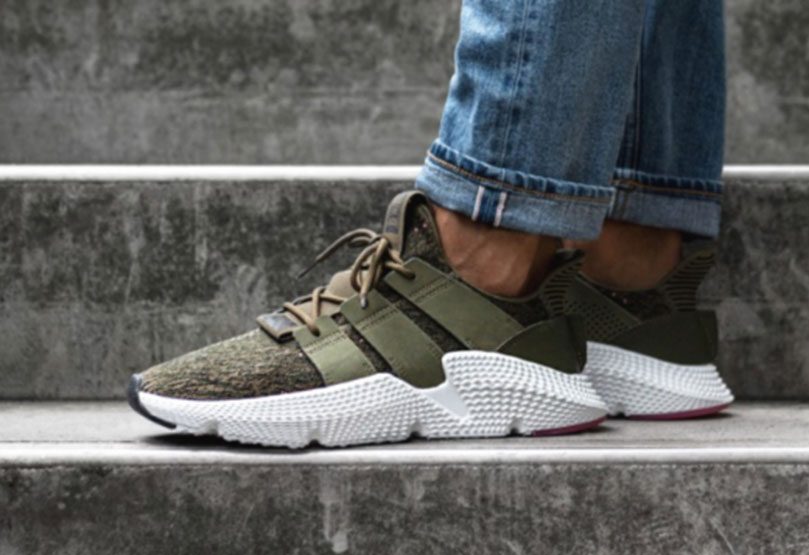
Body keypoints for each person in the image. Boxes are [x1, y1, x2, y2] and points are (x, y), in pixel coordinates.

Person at [127, 0, 733, 447]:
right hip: (628, 276)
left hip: (500, 253)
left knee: (496, 218)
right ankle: (628, 260)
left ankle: (487, 251)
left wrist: (500, 200)